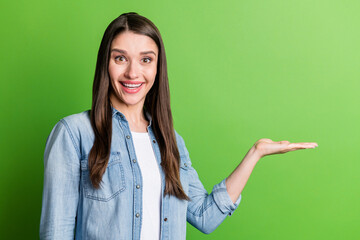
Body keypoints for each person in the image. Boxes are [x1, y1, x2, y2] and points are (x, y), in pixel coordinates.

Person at [39, 12, 318, 240]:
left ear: (157, 68)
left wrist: (255, 153)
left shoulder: (170, 141)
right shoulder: (73, 133)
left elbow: (205, 216)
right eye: (120, 58)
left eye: (146, 59)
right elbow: (56, 231)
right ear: (106, 64)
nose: (133, 73)